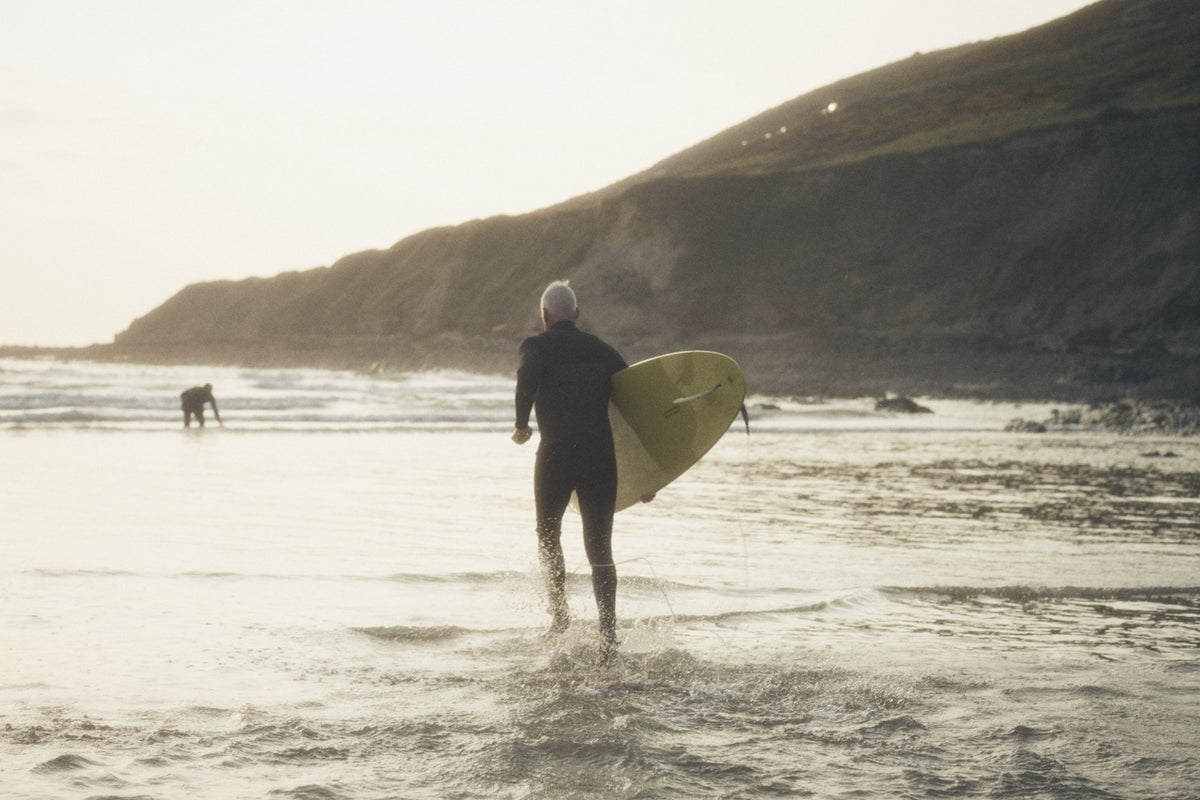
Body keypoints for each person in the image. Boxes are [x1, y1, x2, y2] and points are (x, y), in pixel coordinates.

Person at [512, 280, 631, 659]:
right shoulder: (603, 351)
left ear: (544, 316)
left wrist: (521, 423)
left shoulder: (536, 345)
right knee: (600, 547)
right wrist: (650, 474)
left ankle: (560, 618)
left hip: (557, 455)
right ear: (576, 315)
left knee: (548, 535)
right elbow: (633, 402)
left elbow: (526, 376)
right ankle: (608, 635)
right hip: (600, 456)